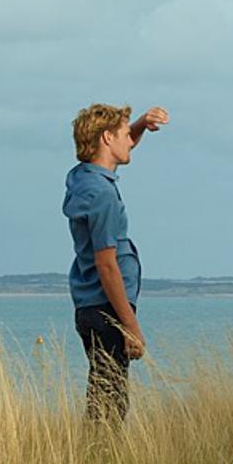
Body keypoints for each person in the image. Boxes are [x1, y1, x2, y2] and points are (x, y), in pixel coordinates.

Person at [64, 100, 166, 424]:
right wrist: (130, 326)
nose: (130, 140)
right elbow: (107, 265)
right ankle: (99, 457)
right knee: (110, 405)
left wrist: (140, 124)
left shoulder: (82, 178)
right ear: (107, 138)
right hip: (107, 309)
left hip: (91, 305)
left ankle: (96, 454)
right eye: (123, 134)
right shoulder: (103, 194)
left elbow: (123, 147)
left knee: (104, 396)